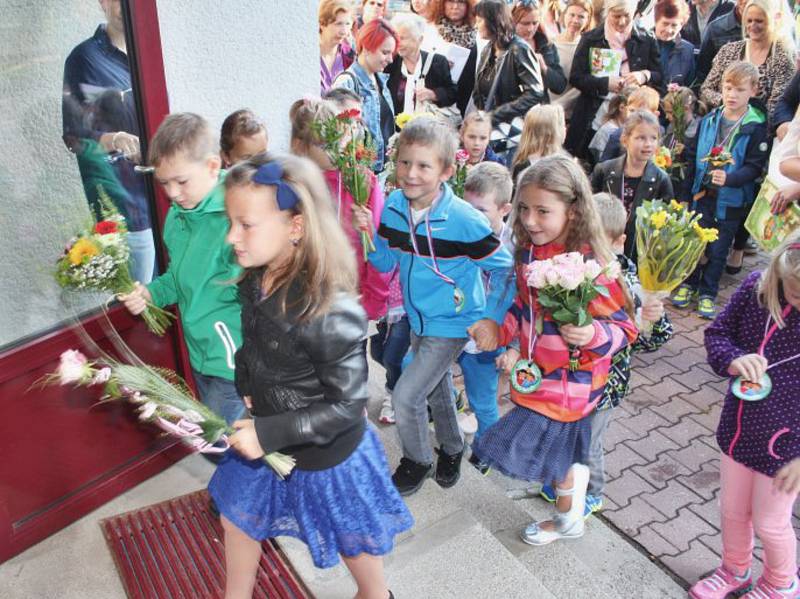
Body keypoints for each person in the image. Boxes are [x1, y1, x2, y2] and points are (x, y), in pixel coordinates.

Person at [211, 152, 412, 599]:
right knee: (236, 513)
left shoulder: (330, 312)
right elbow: (251, 345)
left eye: (245, 224)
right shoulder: (257, 278)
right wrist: (246, 385)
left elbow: (345, 407)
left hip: (326, 455)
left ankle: (375, 595)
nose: (231, 237)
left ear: (295, 226)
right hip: (270, 433)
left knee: (350, 539)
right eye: (231, 222)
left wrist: (269, 433)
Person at [472, 154, 638, 545]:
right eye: (525, 209)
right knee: (556, 453)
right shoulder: (529, 252)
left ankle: (569, 518)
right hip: (537, 376)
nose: (529, 220)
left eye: (543, 211)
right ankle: (570, 505)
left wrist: (592, 333)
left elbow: (625, 328)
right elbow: (522, 306)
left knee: (555, 454)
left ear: (574, 209)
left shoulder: (591, 264)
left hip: (572, 383)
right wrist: (501, 329)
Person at [352, 116, 515, 496]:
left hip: (456, 322)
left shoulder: (464, 220)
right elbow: (388, 265)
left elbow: (507, 271)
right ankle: (454, 447)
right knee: (437, 383)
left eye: (424, 165)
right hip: (417, 318)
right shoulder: (393, 206)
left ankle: (418, 459)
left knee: (408, 394)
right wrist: (370, 240)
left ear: (446, 170)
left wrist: (491, 319)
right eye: (405, 162)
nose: (411, 173)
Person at [540, 193, 673, 514]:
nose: (586, 248)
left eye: (595, 241)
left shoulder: (629, 285)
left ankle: (592, 492)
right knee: (564, 429)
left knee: (589, 441)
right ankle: (563, 478)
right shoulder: (570, 272)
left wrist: (650, 322)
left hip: (606, 386)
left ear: (618, 242)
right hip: (570, 377)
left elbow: (650, 341)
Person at [690, 234, 800, 599]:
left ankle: (781, 582)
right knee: (733, 510)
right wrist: (733, 359)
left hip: (788, 450)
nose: (797, 299)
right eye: (794, 289)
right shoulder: (755, 288)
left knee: (771, 523)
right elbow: (718, 332)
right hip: (738, 430)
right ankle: (734, 570)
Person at [118, 113, 244, 425]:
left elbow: (261, 290)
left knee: (219, 439)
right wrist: (150, 293)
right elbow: (178, 277)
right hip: (200, 352)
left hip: (235, 358)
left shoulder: (238, 215)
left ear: (213, 166)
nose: (172, 193)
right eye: (164, 183)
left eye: (181, 181)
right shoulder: (177, 217)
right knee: (221, 442)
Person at [62, 0, 155, 284]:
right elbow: (75, 134)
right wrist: (114, 139)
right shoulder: (85, 60)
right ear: (103, 2)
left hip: (173, 196)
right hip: (130, 207)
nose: (124, 7)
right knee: (143, 303)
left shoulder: (152, 49)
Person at [673, 62, 769, 319]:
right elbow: (692, 158)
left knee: (718, 250)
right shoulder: (709, 120)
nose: (732, 94)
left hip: (731, 200)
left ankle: (708, 293)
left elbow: (753, 168)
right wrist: (684, 196)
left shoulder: (756, 127)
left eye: (739, 89)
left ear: (753, 90)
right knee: (694, 243)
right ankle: (688, 285)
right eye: (728, 87)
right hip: (701, 196)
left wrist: (730, 179)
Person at [289, 98, 388, 323]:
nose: (335, 151)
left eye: (339, 140)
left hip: (354, 301)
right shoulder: (295, 187)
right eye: (324, 145)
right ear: (299, 145)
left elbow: (379, 243)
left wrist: (373, 300)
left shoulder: (362, 182)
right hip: (307, 303)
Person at [460, 162, 514, 460]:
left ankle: (486, 450)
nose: (471, 217)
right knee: (414, 368)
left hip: (486, 340)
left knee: (482, 401)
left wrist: (511, 345)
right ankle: (448, 406)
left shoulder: (512, 247)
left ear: (504, 209)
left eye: (480, 210)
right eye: (466, 207)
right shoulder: (459, 232)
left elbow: (513, 297)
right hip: (453, 326)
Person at [565, 0, 663, 160]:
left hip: (632, 117)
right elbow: (576, 77)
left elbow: (659, 76)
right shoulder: (591, 39)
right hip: (594, 115)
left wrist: (643, 75)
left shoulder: (646, 39)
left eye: (627, 16)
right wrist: (604, 83)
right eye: (616, 16)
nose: (622, 21)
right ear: (607, 13)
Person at [592, 111, 674, 258]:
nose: (648, 144)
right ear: (625, 140)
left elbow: (666, 224)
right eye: (641, 138)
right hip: (603, 244)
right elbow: (589, 208)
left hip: (639, 253)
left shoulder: (661, 179)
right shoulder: (605, 170)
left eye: (653, 138)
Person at [699, 0, 795, 120]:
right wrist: (727, 101)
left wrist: (746, 113)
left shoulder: (783, 58)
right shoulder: (729, 50)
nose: (752, 26)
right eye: (749, 21)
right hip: (719, 123)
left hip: (759, 130)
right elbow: (706, 89)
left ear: (773, 21)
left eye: (759, 21)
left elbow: (777, 107)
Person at [334, 18, 398, 172]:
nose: (390, 60)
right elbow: (337, 135)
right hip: (360, 174)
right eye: (385, 52)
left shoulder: (380, 80)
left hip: (382, 172)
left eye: (392, 53)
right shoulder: (346, 83)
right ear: (367, 48)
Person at [472, 0, 545, 128]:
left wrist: (497, 114)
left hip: (512, 128)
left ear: (493, 21)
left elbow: (535, 92)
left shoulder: (519, 49)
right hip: (490, 126)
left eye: (479, 20)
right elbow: (479, 92)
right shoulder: (488, 49)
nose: (476, 26)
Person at [385, 13, 457, 115]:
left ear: (419, 40)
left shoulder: (437, 62)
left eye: (403, 38)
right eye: (395, 38)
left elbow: (452, 92)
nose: (398, 43)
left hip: (425, 127)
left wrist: (433, 94)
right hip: (395, 128)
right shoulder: (390, 63)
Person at [430, 0, 480, 115]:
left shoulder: (477, 34)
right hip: (437, 102)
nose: (455, 6)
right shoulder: (431, 32)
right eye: (450, 1)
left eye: (461, 2)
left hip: (468, 99)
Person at [511, 0, 569, 101]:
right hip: (511, 109)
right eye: (525, 23)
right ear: (513, 22)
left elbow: (560, 86)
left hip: (538, 109)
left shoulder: (546, 45)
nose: (530, 28)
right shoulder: (503, 44)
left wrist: (544, 68)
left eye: (535, 23)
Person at [550, 0, 595, 120]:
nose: (575, 20)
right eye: (572, 15)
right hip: (544, 109)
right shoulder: (549, 43)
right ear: (564, 15)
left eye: (581, 17)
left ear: (588, 20)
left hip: (569, 115)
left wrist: (559, 105)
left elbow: (587, 83)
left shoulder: (588, 48)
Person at [597, 84, 662, 162]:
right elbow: (603, 166)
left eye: (642, 113)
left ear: (655, 115)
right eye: (632, 111)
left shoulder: (660, 132)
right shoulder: (618, 135)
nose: (635, 116)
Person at [511, 104, 568, 182]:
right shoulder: (526, 167)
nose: (565, 129)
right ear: (549, 134)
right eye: (562, 125)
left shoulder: (564, 163)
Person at [654, 0, 696, 87]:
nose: (669, 30)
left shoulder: (687, 50)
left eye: (674, 25)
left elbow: (691, 86)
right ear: (656, 21)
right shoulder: (641, 43)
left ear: (681, 25)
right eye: (665, 24)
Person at [319, 0, 356, 93]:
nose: (344, 31)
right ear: (322, 24)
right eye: (338, 24)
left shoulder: (349, 55)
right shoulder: (307, 53)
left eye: (347, 24)